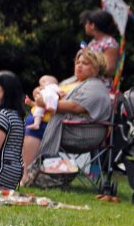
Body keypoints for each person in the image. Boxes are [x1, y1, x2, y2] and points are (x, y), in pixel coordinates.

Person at [22, 50, 111, 187]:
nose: (79, 66)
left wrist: (44, 103)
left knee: (35, 127)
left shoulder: (95, 87)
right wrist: (39, 92)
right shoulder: (72, 80)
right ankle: (25, 172)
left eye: (85, 63)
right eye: (78, 62)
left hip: (80, 132)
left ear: (96, 67)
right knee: (31, 124)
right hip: (65, 125)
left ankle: (26, 175)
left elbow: (74, 107)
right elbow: (45, 89)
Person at [80, 9, 120, 78]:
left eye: (86, 23)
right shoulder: (93, 42)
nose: (85, 26)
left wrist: (89, 57)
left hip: (101, 85)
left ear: (92, 25)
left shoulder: (110, 43)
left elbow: (109, 69)